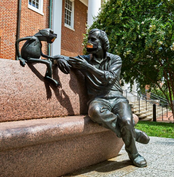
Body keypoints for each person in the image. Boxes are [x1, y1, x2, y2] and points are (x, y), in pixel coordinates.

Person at [55, 29, 149, 167]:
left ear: (103, 43)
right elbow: (64, 58)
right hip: (98, 98)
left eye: (93, 39)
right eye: (89, 39)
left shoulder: (115, 59)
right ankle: (131, 133)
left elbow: (110, 78)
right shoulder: (84, 60)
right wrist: (58, 58)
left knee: (127, 120)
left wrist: (88, 68)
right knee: (95, 111)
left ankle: (133, 154)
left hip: (117, 98)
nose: (89, 42)